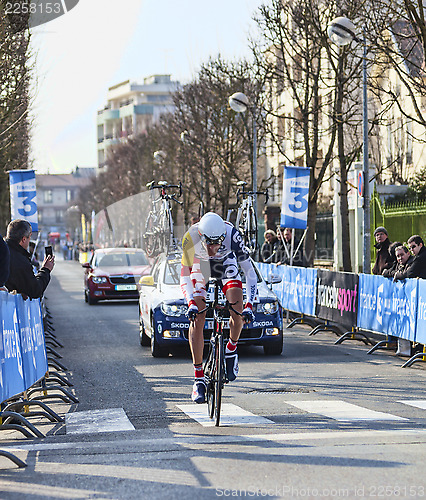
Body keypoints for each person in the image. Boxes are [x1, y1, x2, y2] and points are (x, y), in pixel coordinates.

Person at [180, 212, 257, 403]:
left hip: (227, 263)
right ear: (201, 236)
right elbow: (184, 275)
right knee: (197, 317)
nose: (213, 248)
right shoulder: (191, 237)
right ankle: (199, 379)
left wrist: (249, 306)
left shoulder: (232, 235)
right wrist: (190, 303)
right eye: (209, 243)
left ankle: (231, 348)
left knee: (237, 310)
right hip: (202, 265)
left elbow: (250, 273)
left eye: (217, 243)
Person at [5, 219, 55, 299]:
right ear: (24, 239)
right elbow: (35, 290)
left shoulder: (5, 251)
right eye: (29, 238)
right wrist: (46, 270)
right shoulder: (20, 260)